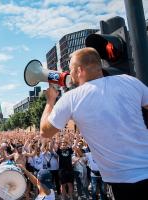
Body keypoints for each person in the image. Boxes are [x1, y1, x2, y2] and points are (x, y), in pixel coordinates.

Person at [40, 47, 148, 199]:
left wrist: (50, 101)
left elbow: (45, 131)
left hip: (125, 183)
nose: (69, 74)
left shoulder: (71, 98)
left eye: (70, 69)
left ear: (79, 70)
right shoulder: (129, 80)